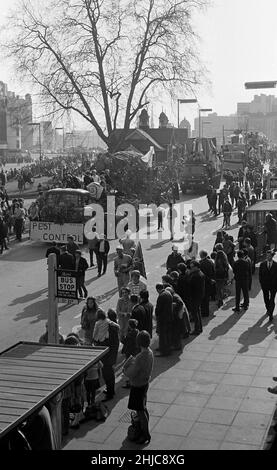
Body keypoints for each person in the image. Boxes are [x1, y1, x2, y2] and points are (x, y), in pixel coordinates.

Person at [123, 330, 153, 445]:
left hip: (138, 385)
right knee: (143, 408)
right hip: (145, 383)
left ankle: (145, 434)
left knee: (140, 411)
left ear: (139, 342)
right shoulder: (149, 352)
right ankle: (144, 431)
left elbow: (132, 372)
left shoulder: (141, 356)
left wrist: (125, 369)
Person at [93, 309, 120, 401]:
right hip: (112, 352)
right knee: (110, 372)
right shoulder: (110, 323)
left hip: (104, 352)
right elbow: (118, 327)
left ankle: (110, 393)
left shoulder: (97, 324)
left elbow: (94, 337)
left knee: (106, 374)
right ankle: (110, 390)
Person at [155, 283, 173, 356]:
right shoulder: (168, 293)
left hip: (163, 319)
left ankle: (164, 351)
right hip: (169, 317)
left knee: (163, 336)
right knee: (167, 335)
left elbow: (158, 309)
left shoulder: (161, 296)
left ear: (157, 289)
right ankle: (166, 348)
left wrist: (156, 315)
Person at [187, 261, 205, 335]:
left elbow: (191, 286)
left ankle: (197, 329)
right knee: (197, 312)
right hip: (199, 295)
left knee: (196, 313)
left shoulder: (196, 276)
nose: (191, 268)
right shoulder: (200, 273)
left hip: (195, 296)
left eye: (192, 267)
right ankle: (199, 328)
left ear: (196, 267)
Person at [259, 250, 277, 322]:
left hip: (273, 285)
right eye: (267, 255)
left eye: (269, 256)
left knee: (272, 300)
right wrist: (261, 283)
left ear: (272, 256)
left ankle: (271, 314)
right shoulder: (262, 264)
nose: (267, 257)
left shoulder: (276, 265)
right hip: (265, 285)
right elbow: (260, 275)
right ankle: (268, 309)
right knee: (266, 299)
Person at [121, 319, 139, 389]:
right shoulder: (137, 331)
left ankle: (129, 382)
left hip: (129, 352)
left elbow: (125, 342)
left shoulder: (130, 334)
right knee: (133, 365)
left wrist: (122, 337)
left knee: (127, 367)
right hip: (135, 351)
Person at [199, 250, 215, 317]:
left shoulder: (201, 263)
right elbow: (213, 271)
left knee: (203, 299)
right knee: (207, 298)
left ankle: (204, 313)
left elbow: (203, 274)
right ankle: (206, 312)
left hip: (205, 282)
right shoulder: (210, 261)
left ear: (201, 255)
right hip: (209, 282)